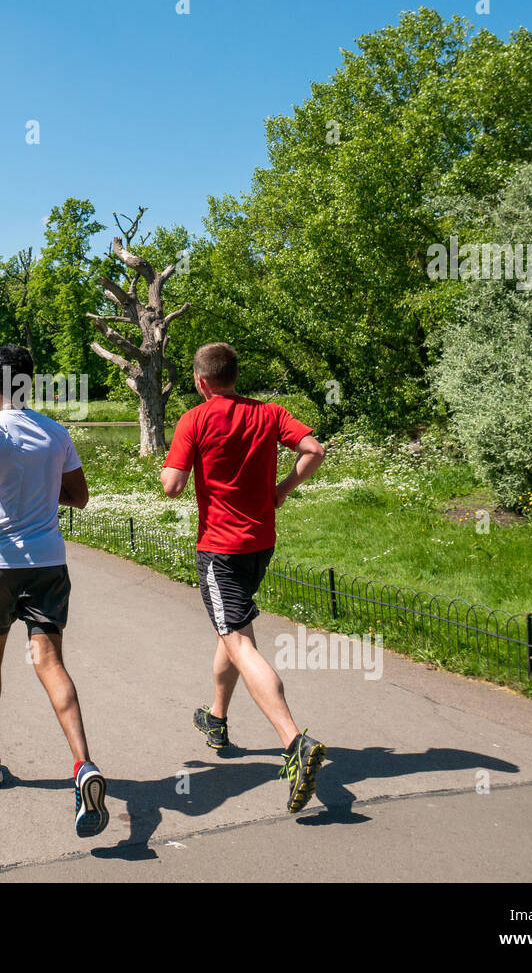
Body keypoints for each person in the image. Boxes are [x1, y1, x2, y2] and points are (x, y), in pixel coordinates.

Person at [161, 342, 329, 813]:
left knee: (238, 641)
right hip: (261, 544)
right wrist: (281, 491)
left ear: (200, 382)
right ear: (235, 376)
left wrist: (168, 470)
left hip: (220, 549)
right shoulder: (270, 413)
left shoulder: (194, 419)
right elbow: (314, 450)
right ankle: (216, 717)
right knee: (232, 631)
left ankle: (294, 741)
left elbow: (172, 487)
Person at [0, 344, 107, 838]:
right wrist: (45, 494)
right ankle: (83, 765)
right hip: (48, 561)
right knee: (50, 661)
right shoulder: (56, 431)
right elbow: (79, 497)